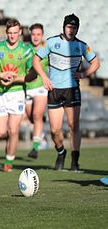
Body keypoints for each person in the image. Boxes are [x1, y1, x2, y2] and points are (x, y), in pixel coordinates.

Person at [33, 14, 100, 171]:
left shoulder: (81, 46)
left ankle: (75, 160)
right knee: (55, 131)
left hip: (72, 90)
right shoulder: (51, 42)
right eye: (69, 27)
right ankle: (61, 151)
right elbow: (36, 60)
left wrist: (83, 74)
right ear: (64, 27)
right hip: (54, 90)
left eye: (74, 27)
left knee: (73, 125)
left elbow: (96, 62)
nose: (71, 30)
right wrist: (44, 77)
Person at [0, 18, 34, 172]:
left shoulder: (26, 50)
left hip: (17, 93)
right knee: (1, 133)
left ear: (20, 32)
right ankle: (11, 142)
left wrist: (14, 79)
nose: (13, 36)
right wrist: (1, 75)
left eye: (15, 33)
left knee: (13, 130)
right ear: (6, 33)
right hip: (0, 94)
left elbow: (31, 75)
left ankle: (9, 161)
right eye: (10, 33)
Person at [25, 23, 48, 159]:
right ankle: (40, 133)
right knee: (30, 116)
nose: (35, 37)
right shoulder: (26, 49)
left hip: (41, 87)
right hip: (27, 87)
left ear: (42, 35)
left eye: (38, 34)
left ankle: (35, 148)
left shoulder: (46, 50)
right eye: (33, 34)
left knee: (37, 114)